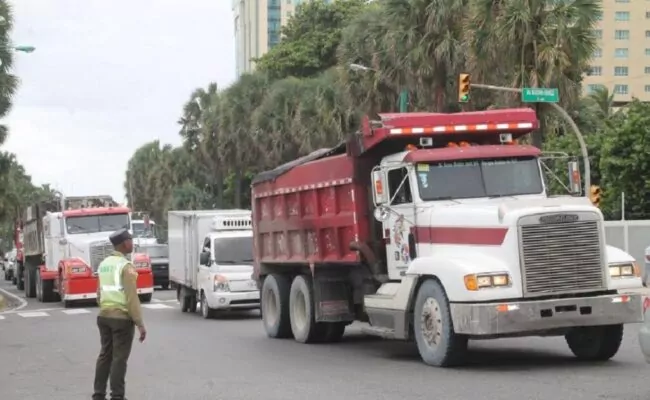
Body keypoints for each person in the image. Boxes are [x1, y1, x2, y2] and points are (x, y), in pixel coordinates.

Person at [92, 228, 147, 400]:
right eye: (130, 240)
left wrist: (106, 307)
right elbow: (132, 298)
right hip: (121, 319)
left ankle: (98, 394)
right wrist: (140, 323)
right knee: (119, 359)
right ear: (124, 244)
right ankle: (117, 396)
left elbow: (99, 294)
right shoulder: (125, 266)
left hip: (104, 316)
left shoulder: (104, 264)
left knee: (105, 355)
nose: (132, 243)